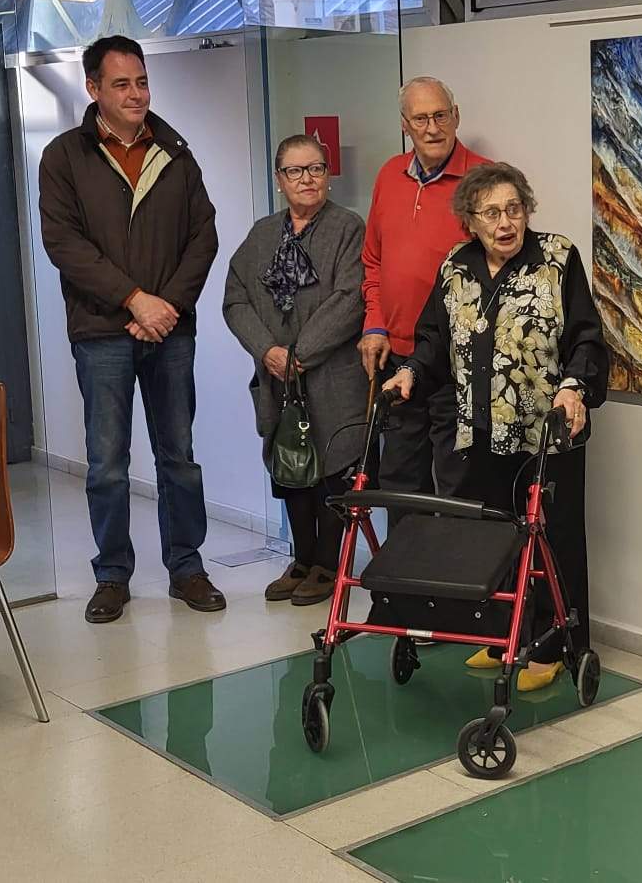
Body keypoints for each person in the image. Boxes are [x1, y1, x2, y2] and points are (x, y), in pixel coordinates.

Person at [383, 162, 608, 692]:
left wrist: (574, 387)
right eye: (491, 213)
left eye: (513, 209)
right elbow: (435, 339)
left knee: (553, 539)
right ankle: (505, 634)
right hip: (480, 432)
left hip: (546, 434)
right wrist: (412, 371)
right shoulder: (456, 267)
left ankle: (555, 645)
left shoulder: (557, 258)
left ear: (527, 211)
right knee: (493, 540)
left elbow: (586, 337)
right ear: (470, 220)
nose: (505, 222)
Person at [37, 35, 223, 624]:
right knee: (108, 464)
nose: (137, 94)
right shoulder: (65, 157)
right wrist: (135, 300)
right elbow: (64, 244)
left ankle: (187, 568)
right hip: (102, 331)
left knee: (179, 458)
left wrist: (166, 306)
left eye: (142, 82)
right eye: (122, 84)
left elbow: (204, 236)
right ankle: (112, 575)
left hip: (170, 331)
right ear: (93, 89)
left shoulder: (175, 151)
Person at [224, 135, 369, 608]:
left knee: (332, 467)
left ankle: (329, 563)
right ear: (279, 179)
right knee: (290, 468)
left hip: (332, 374)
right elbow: (236, 298)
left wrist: (299, 353)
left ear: (328, 174)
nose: (307, 179)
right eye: (295, 171)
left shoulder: (348, 227)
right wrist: (267, 350)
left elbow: (350, 298)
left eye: (316, 169)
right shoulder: (262, 234)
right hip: (277, 378)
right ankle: (302, 559)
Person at [359, 76, 492, 497]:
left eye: (440, 116)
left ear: (456, 117)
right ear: (405, 124)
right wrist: (375, 324)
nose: (432, 128)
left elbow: (500, 273)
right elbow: (373, 261)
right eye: (420, 119)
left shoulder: (484, 178)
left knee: (460, 489)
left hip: (458, 364)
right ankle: (406, 548)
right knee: (399, 483)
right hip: (397, 357)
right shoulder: (389, 175)